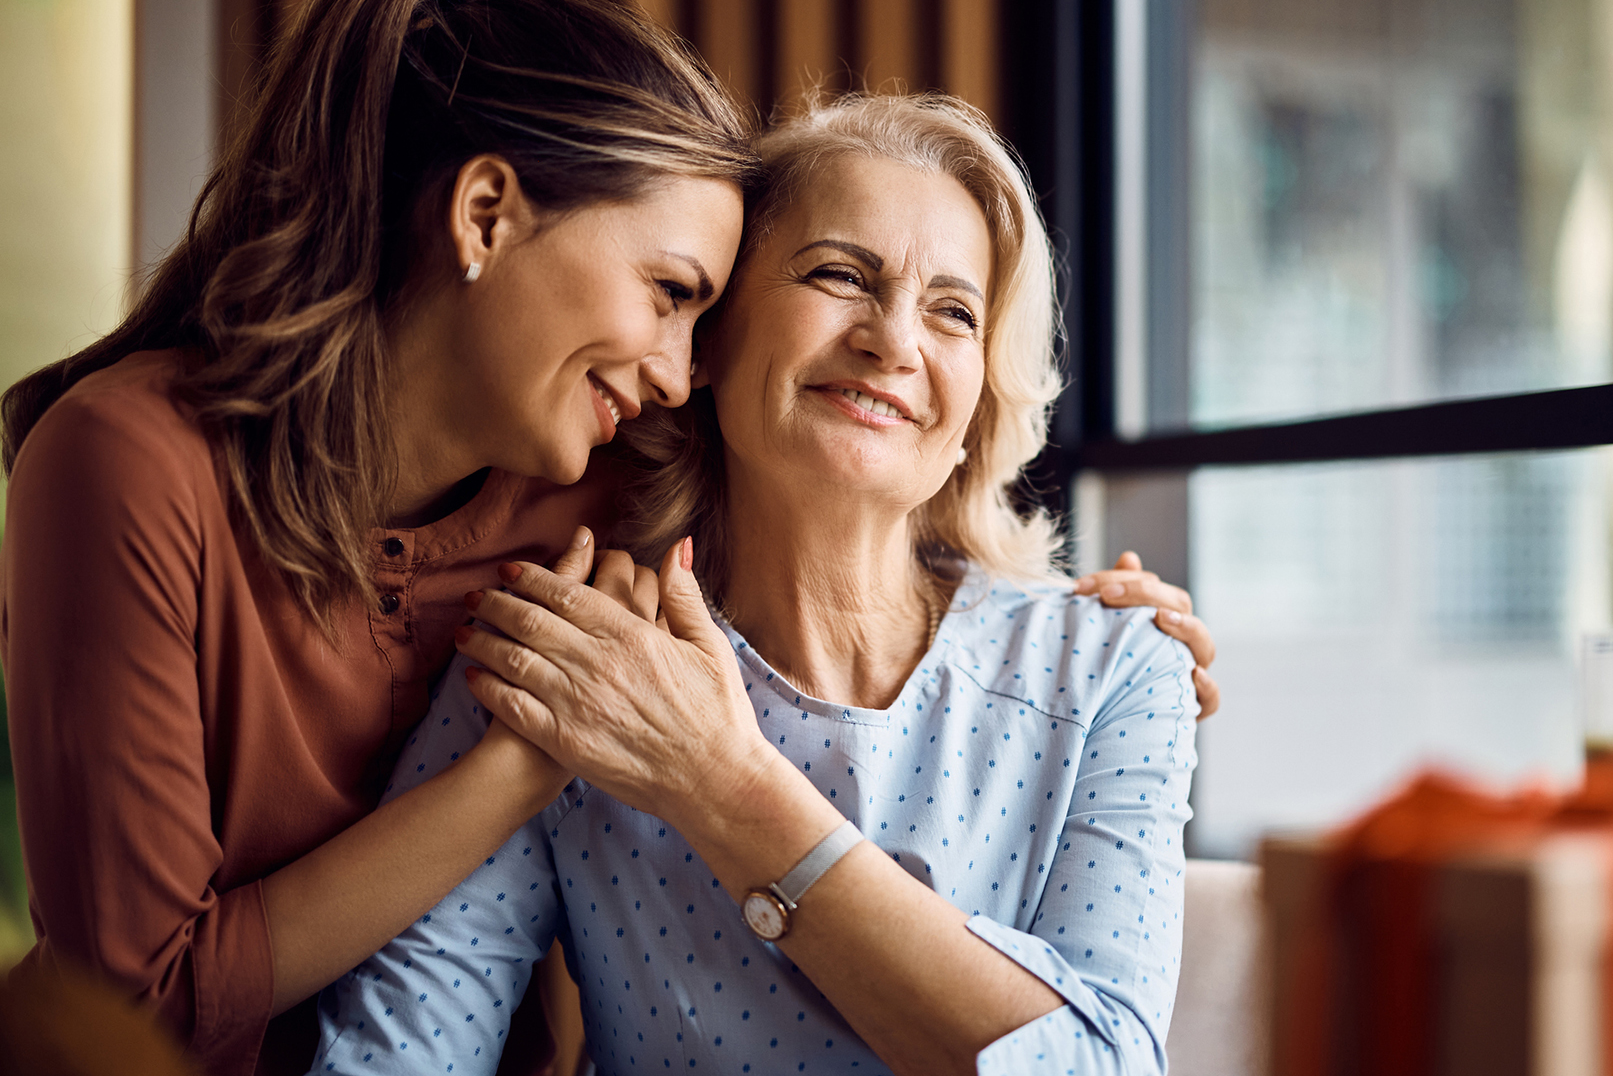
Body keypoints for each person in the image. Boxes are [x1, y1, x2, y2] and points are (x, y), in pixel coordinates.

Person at [310, 93, 1200, 1076]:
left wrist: (725, 786)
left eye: (954, 312)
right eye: (839, 275)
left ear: (980, 398)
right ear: (710, 341)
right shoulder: (574, 660)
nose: (894, 340)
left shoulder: (1118, 670)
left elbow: (1105, 1066)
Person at [0, 0, 755, 1071]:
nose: (678, 374)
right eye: (669, 293)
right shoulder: (125, 465)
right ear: (486, 213)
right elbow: (141, 1005)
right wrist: (514, 770)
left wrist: (1076, 602)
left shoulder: (610, 501)